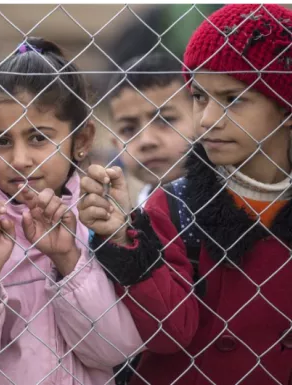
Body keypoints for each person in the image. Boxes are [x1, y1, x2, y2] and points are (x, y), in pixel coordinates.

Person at [79, 4, 292, 384]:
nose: (208, 119)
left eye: (232, 99)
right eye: (198, 97)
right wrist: (125, 241)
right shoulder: (174, 205)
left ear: (285, 107)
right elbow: (168, 333)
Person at [0, 37, 142, 385]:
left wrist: (70, 262)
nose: (19, 160)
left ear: (80, 142)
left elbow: (116, 351)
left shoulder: (102, 228)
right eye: (2, 141)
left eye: (38, 137)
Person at [104, 52, 194, 207]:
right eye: (128, 129)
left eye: (165, 120)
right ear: (115, 144)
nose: (146, 141)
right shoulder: (131, 217)